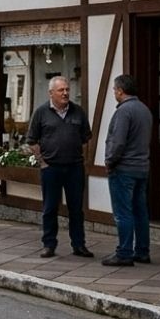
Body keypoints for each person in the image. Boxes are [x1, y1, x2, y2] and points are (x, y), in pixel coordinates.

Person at [26, 75, 94, 259]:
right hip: (51, 168)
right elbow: (31, 140)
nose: (65, 93)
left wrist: (84, 161)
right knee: (50, 208)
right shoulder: (41, 113)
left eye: (67, 90)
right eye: (61, 90)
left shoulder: (78, 112)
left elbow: (86, 138)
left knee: (76, 209)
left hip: (74, 168)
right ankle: (49, 245)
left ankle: (79, 245)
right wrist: (43, 162)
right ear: (51, 93)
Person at [102, 74, 152, 267]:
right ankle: (142, 251)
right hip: (142, 167)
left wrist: (109, 161)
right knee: (140, 211)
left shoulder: (124, 111)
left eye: (114, 90)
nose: (114, 93)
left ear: (121, 91)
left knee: (123, 212)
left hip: (124, 168)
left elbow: (118, 141)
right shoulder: (144, 109)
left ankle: (124, 252)